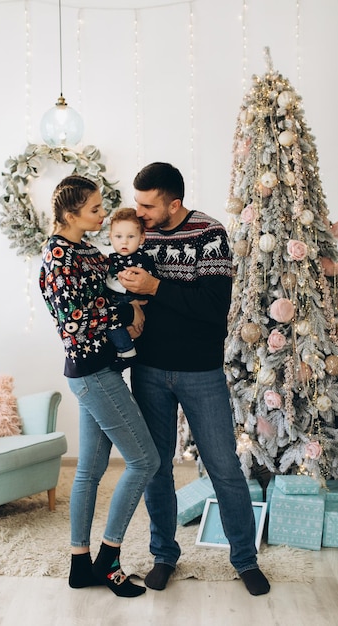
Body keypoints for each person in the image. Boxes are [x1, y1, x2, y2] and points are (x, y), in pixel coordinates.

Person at [118, 162, 270, 596]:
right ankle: (163, 555)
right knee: (156, 469)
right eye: (137, 203)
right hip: (148, 371)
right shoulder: (139, 235)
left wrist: (155, 288)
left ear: (174, 203)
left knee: (224, 467)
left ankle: (244, 559)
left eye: (147, 205)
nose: (139, 212)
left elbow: (212, 307)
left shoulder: (209, 234)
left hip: (201, 371)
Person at [39, 174, 160, 598]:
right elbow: (74, 320)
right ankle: (108, 561)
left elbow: (102, 294)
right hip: (93, 373)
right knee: (146, 462)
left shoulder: (87, 251)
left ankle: (79, 565)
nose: (103, 214)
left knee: (88, 472)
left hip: (98, 370)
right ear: (70, 215)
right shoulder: (58, 256)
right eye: (94, 210)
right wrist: (126, 315)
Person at [106, 207, 156, 371]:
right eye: (118, 236)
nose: (124, 242)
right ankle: (123, 350)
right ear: (110, 237)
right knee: (111, 322)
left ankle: (127, 352)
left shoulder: (143, 260)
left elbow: (148, 285)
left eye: (131, 236)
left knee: (116, 322)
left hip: (135, 301)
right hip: (117, 303)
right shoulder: (110, 261)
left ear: (141, 238)